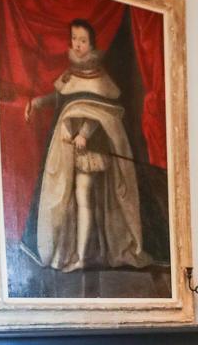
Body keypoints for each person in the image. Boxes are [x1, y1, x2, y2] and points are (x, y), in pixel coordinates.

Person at [21, 19, 149, 272]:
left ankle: (81, 257)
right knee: (69, 199)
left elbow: (102, 111)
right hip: (67, 145)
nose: (78, 44)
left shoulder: (100, 78)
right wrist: (37, 102)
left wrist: (85, 133)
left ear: (92, 44)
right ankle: (73, 252)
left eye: (83, 40)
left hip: (89, 148)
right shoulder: (70, 74)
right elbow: (63, 97)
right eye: (74, 39)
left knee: (83, 198)